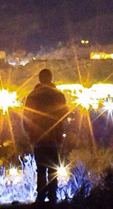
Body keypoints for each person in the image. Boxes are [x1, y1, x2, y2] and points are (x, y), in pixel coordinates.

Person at [23, 68, 69, 203]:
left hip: (38, 137)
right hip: (54, 137)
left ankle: (41, 196)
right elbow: (64, 115)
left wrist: (29, 133)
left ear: (39, 79)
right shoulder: (58, 95)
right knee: (53, 167)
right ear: (51, 78)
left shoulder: (32, 96)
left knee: (41, 168)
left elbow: (26, 117)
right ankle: (53, 195)